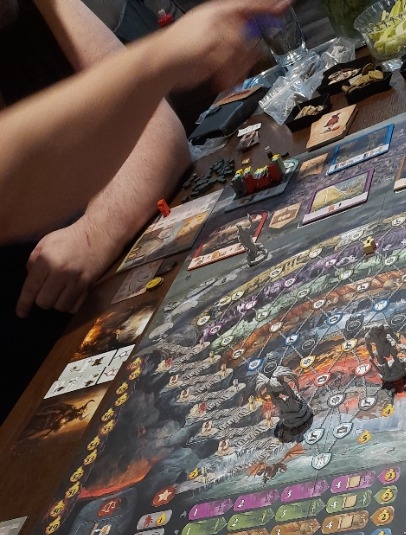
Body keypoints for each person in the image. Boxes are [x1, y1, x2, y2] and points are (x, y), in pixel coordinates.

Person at [0, 0, 291, 423]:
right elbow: (12, 187)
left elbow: (159, 136)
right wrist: (163, 57)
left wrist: (94, 231)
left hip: (104, 287)